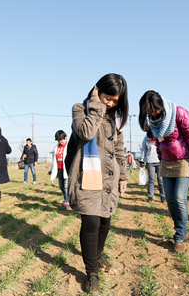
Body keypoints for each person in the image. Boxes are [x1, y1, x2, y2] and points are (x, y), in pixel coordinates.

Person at [67, 73, 128, 295]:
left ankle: (97, 253)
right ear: (97, 91)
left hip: (109, 177)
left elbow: (119, 150)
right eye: (107, 98)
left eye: (114, 101)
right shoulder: (80, 109)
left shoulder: (116, 118)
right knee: (91, 223)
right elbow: (86, 132)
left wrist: (123, 177)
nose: (110, 104)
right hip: (87, 175)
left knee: (105, 223)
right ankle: (91, 272)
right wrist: (96, 106)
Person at [139, 90, 189, 253]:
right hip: (166, 162)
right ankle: (182, 230)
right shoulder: (153, 121)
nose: (153, 114)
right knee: (171, 200)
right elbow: (158, 143)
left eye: (155, 110)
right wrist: (160, 157)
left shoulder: (179, 113)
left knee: (179, 198)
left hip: (183, 160)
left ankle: (179, 236)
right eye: (149, 112)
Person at [141, 129, 166, 203]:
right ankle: (150, 196)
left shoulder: (160, 137)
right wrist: (142, 159)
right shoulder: (146, 138)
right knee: (151, 180)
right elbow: (144, 149)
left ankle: (163, 196)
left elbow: (164, 147)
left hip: (160, 161)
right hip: (150, 161)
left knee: (160, 180)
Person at [48, 130, 70, 210]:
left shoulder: (70, 146)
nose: (60, 142)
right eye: (58, 140)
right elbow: (54, 160)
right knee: (61, 186)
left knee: (66, 186)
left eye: (62, 140)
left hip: (67, 169)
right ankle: (68, 199)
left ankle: (67, 201)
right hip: (59, 169)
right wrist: (51, 169)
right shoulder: (56, 147)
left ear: (65, 138)